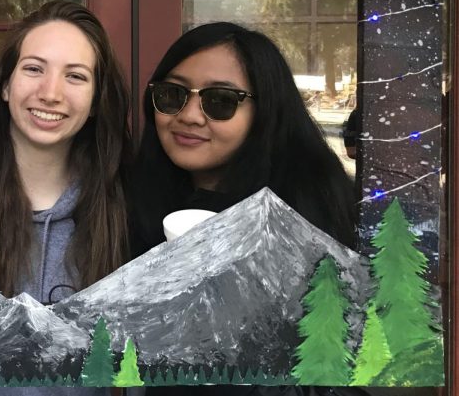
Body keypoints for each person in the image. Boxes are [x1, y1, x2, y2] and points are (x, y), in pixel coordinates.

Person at [129, 21, 360, 396]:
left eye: (219, 101)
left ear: (265, 110)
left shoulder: (307, 215)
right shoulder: (137, 201)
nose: (188, 115)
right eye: (172, 95)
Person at [0, 0, 132, 395]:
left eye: (75, 77)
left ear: (96, 100)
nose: (50, 93)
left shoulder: (124, 208)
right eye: (34, 69)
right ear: (7, 86)